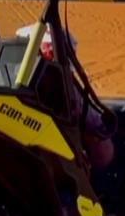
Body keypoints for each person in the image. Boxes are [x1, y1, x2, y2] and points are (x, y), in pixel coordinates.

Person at [15, 23, 114, 170]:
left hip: (22, 151)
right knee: (105, 149)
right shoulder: (62, 87)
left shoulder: (7, 80)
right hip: (55, 164)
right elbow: (94, 126)